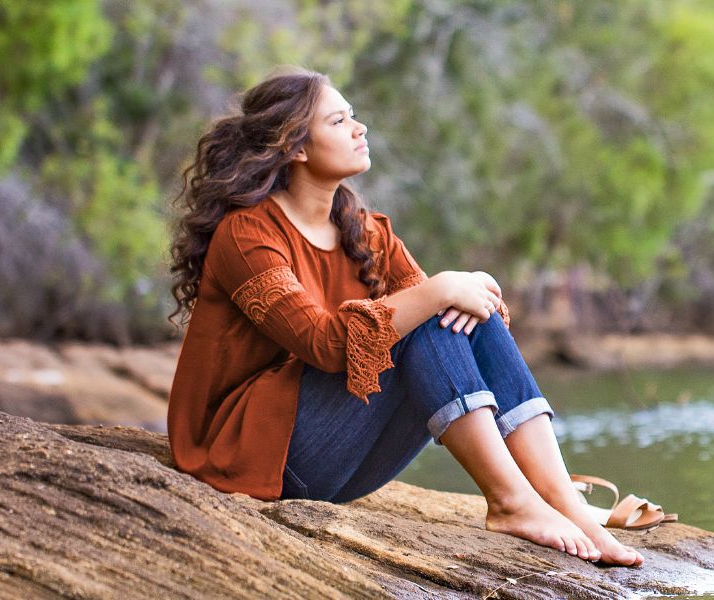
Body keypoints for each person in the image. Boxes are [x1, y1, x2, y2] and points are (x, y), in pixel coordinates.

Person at [165, 67, 643, 566]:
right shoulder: (247, 236)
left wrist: (455, 291)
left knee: (452, 316)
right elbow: (326, 345)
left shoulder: (363, 230)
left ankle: (561, 501)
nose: (359, 128)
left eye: (355, 116)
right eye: (339, 120)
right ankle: (510, 502)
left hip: (342, 459)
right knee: (428, 315)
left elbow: (453, 314)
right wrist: (440, 288)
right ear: (296, 147)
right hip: (251, 456)